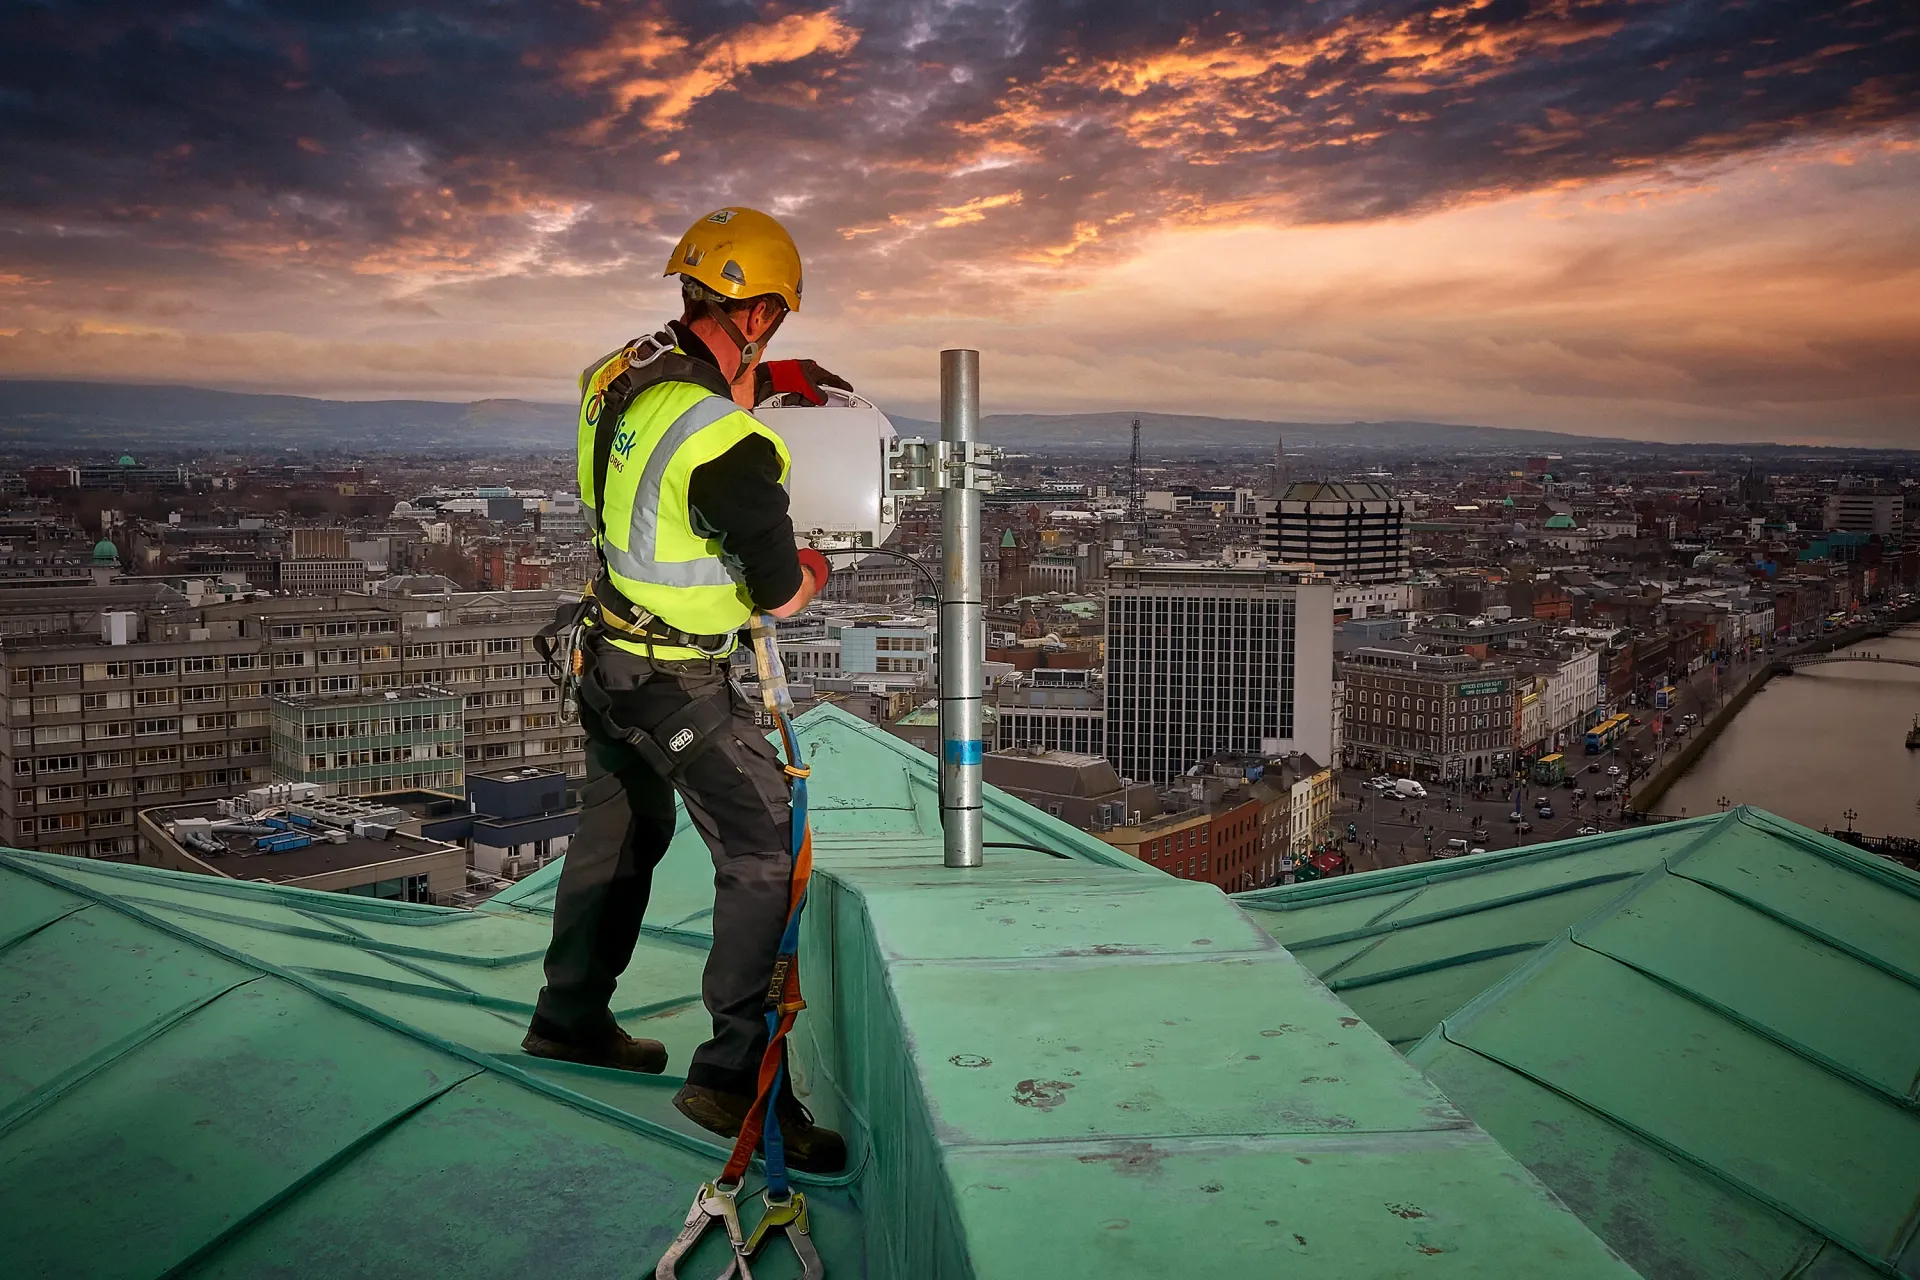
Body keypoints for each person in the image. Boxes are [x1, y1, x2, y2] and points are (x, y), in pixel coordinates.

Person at [522, 207, 850, 1173]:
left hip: (606, 655)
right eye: (775, 324)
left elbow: (668, 378)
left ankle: (571, 1018)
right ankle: (733, 1079)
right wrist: (816, 570)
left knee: (622, 831)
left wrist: (783, 378)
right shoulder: (729, 444)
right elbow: (780, 590)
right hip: (673, 676)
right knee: (766, 847)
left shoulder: (620, 377)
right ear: (762, 317)